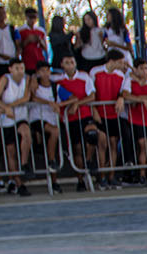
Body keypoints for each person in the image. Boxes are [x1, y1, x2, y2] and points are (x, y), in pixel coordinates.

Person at [55, 53, 102, 190]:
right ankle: (80, 179)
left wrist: (78, 104)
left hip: (85, 114)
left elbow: (92, 96)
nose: (70, 64)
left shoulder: (84, 77)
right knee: (76, 149)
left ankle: (88, 160)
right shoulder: (59, 82)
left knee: (92, 134)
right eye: (67, 62)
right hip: (70, 118)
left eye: (72, 62)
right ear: (62, 65)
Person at [0, 56, 32, 195]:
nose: (20, 71)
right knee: (11, 152)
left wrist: (8, 107)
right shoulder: (5, 79)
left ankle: (24, 164)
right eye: (17, 68)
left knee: (26, 133)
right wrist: (4, 108)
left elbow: (26, 97)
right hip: (6, 121)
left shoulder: (26, 79)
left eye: (22, 68)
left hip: (19, 115)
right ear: (10, 69)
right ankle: (18, 182)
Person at [121, 57, 147, 185]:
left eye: (146, 68)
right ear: (136, 69)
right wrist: (143, 100)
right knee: (142, 146)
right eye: (141, 68)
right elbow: (126, 95)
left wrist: (141, 98)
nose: (144, 71)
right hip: (136, 119)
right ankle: (142, 174)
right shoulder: (129, 81)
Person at [91, 49, 128, 188]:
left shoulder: (120, 75)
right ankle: (102, 176)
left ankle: (111, 175)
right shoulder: (95, 72)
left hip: (114, 114)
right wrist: (94, 109)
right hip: (100, 114)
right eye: (120, 62)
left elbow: (123, 91)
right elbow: (91, 92)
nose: (122, 64)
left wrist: (121, 98)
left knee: (113, 143)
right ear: (112, 61)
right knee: (102, 144)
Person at [28, 60, 64, 191]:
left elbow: (72, 97)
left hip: (52, 119)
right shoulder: (33, 84)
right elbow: (32, 98)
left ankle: (54, 181)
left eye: (47, 70)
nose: (45, 73)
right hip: (37, 119)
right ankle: (50, 160)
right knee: (54, 132)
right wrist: (49, 103)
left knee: (54, 147)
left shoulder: (55, 86)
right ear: (37, 73)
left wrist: (60, 105)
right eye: (42, 71)